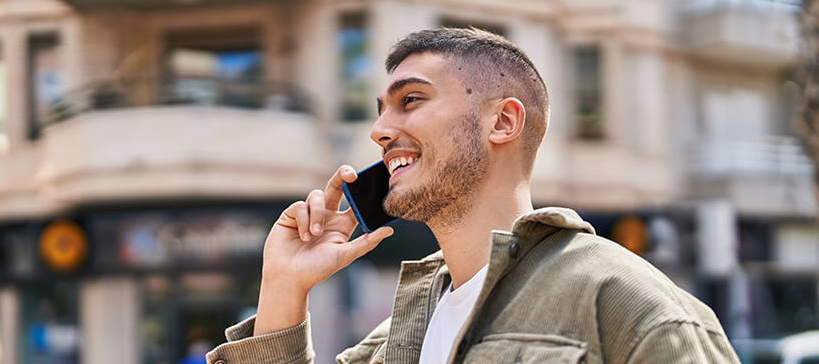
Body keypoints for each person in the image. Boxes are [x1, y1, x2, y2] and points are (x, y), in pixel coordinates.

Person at [206, 28, 740, 364]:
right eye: (381, 109)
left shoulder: (623, 301)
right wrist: (283, 287)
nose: (380, 130)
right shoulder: (396, 339)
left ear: (503, 121)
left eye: (410, 99)